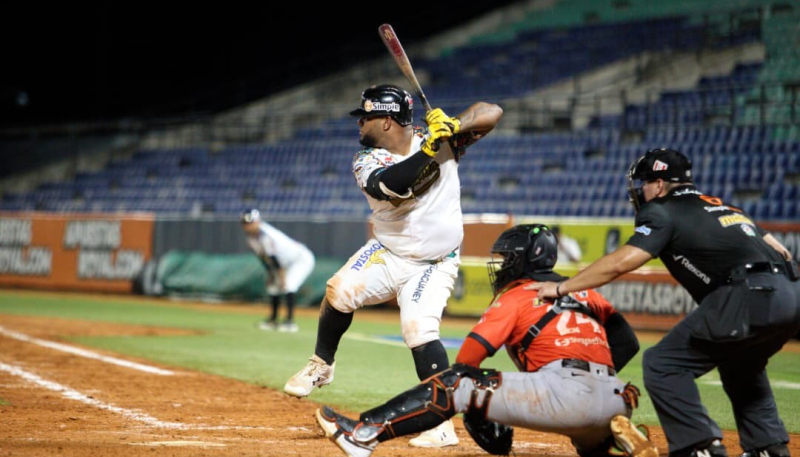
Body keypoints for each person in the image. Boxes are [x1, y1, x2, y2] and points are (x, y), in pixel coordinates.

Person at [529, 148, 800, 457]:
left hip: (749, 292)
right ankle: (769, 448)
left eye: (644, 183)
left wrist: (562, 287)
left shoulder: (660, 209)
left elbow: (624, 261)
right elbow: (782, 250)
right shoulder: (724, 206)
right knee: (742, 365)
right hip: (791, 292)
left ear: (658, 185)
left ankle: (699, 448)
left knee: (663, 364)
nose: (640, 191)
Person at [283, 84, 503, 448]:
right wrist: (434, 146)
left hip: (435, 262)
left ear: (386, 121)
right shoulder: (366, 159)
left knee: (419, 331)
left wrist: (454, 124)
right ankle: (322, 363)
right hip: (389, 252)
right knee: (339, 290)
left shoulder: (438, 137)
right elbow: (395, 183)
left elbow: (491, 110)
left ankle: (442, 426)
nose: (360, 124)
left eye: (366, 117)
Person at [314, 224, 657, 457]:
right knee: (586, 437)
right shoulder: (584, 292)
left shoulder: (518, 295)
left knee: (457, 382)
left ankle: (363, 433)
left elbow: (466, 363)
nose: (503, 265)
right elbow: (627, 343)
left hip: (565, 395)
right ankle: (609, 436)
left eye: (508, 258)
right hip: (616, 396)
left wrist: (496, 412)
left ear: (523, 260)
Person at [241, 208, 315, 333]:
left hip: (300, 259)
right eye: (245, 223)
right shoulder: (251, 239)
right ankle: (273, 320)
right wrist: (271, 275)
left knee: (289, 285)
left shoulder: (266, 236)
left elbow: (274, 259)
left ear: (258, 221)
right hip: (284, 263)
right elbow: (264, 258)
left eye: (251, 222)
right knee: (273, 288)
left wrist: (281, 277)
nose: (248, 226)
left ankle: (289, 323)